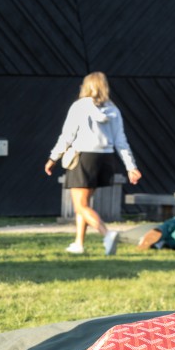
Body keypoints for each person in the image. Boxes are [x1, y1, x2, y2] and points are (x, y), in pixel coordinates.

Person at [44, 72, 142, 255]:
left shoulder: (79, 107)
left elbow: (67, 136)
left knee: (80, 205)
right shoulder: (113, 109)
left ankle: (107, 233)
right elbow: (121, 141)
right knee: (86, 202)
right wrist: (131, 167)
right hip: (105, 159)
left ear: (86, 86)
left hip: (83, 158)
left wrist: (53, 158)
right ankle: (79, 244)